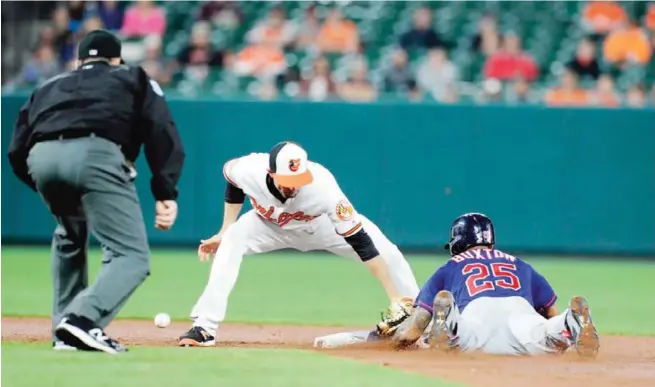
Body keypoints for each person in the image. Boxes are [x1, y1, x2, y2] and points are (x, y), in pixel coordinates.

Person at [7, 29, 185, 354]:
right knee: (131, 255)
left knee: (70, 234)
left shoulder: (48, 85)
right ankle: (82, 320)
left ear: (78, 61)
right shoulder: (132, 76)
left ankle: (64, 330)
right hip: (96, 153)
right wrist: (165, 189)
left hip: (40, 158)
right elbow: (161, 128)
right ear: (117, 59)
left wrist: (44, 181)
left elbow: (16, 148)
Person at [177, 141, 419, 347]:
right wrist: (225, 229)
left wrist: (393, 295)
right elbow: (233, 183)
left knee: (390, 254)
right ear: (270, 173)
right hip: (267, 225)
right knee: (231, 242)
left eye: (298, 178)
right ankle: (204, 327)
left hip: (322, 226)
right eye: (287, 179)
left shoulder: (323, 186)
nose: (294, 185)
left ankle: (421, 322)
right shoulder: (248, 169)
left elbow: (362, 243)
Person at [314, 213, 600, 359]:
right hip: (521, 313)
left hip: (477, 314)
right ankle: (570, 322)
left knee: (464, 338)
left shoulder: (449, 267)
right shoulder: (520, 264)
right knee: (545, 334)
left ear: (457, 242)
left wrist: (390, 338)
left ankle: (450, 323)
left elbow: (411, 332)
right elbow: (547, 309)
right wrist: (553, 326)